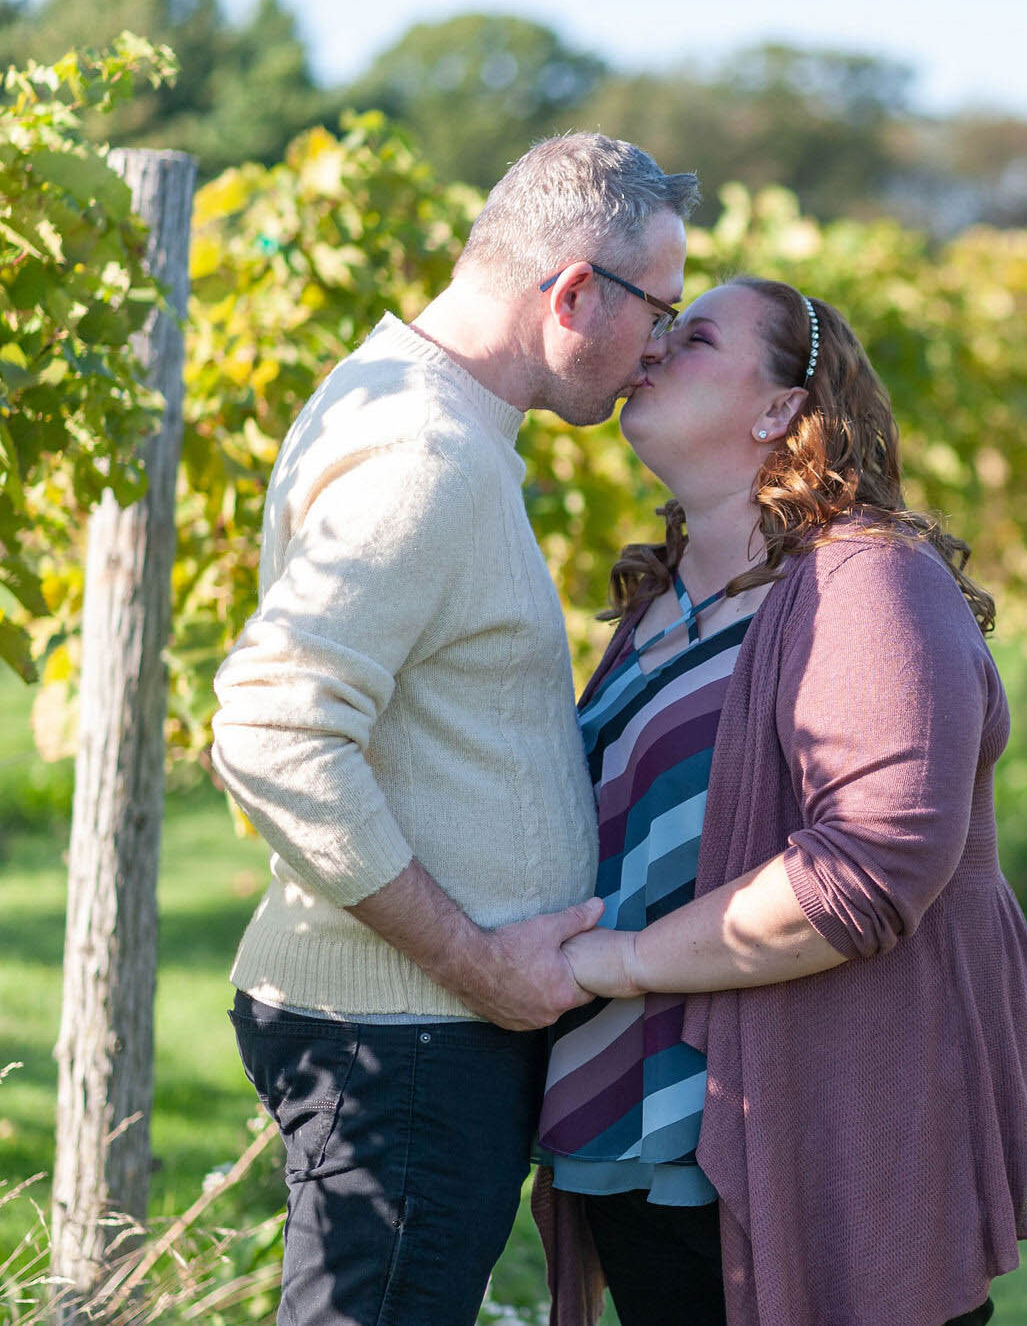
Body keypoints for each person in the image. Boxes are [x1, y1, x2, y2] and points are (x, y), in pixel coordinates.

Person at [210, 132, 698, 1326]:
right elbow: (271, 726)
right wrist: (477, 964)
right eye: (658, 313)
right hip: (408, 1040)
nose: (659, 353)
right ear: (575, 291)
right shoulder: (427, 455)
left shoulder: (427, 411)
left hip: (411, 1033)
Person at [529, 277, 1027, 1326]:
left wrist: (614, 965)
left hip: (815, 1131)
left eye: (692, 337)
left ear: (780, 408)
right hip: (640, 1134)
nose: (650, 349)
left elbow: (874, 866)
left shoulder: (865, 583)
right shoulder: (660, 604)